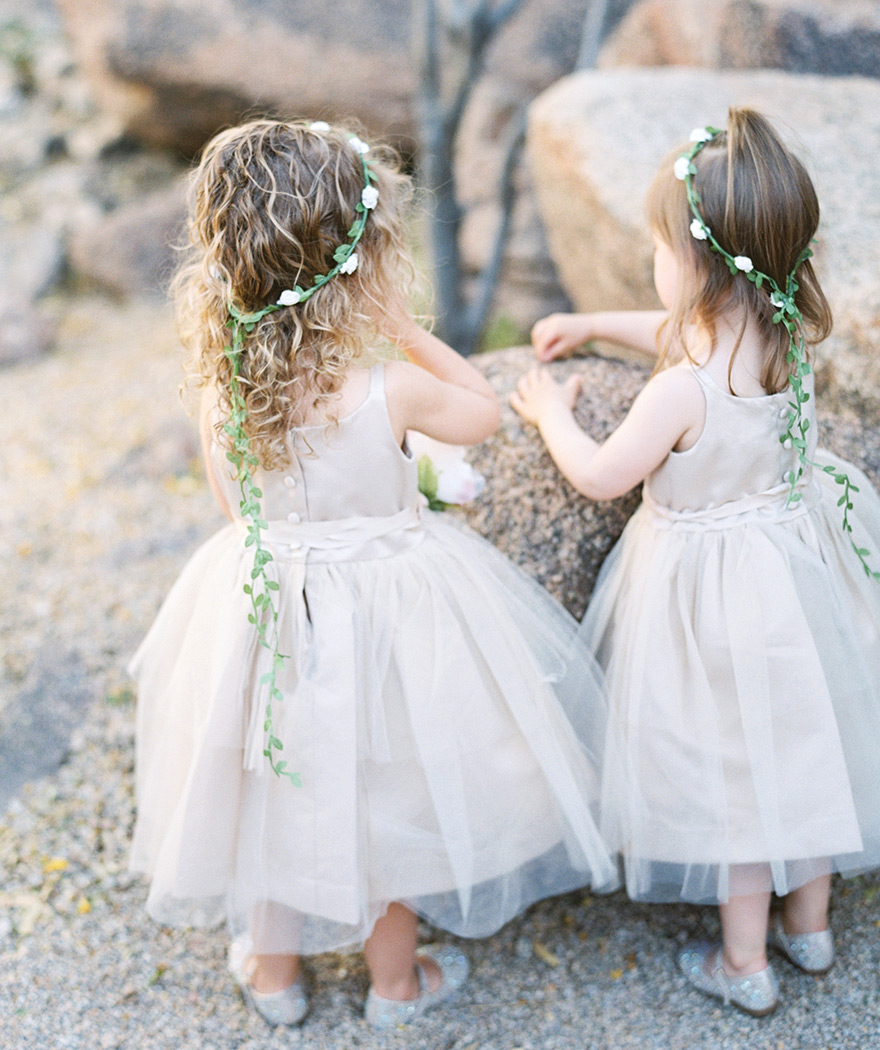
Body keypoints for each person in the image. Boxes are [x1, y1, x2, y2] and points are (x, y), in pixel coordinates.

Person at [128, 118, 617, 1030]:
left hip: (264, 606)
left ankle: (274, 977)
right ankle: (396, 990)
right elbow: (482, 412)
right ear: (357, 264)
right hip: (388, 614)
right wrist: (404, 332)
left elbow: (237, 513)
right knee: (387, 796)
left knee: (272, 786)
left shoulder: (220, 387)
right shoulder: (389, 386)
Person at [511, 108, 880, 1018]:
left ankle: (743, 962)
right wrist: (594, 321)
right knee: (802, 748)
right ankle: (812, 928)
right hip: (789, 574)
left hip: (706, 599)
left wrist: (550, 412)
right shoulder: (779, 332)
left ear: (701, 266)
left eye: (657, 247)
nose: (653, 263)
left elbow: (602, 475)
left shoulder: (680, 390)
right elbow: (671, 326)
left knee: (735, 777)